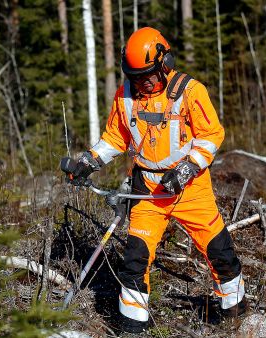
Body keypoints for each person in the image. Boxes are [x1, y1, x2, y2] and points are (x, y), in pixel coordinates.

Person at [67, 27, 246, 333]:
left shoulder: (190, 91)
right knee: (135, 258)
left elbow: (211, 135)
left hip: (190, 188)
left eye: (147, 75)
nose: (141, 82)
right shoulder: (125, 96)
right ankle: (133, 324)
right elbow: (115, 137)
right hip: (147, 191)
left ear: (165, 63)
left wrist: (188, 167)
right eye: (135, 75)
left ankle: (234, 311)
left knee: (219, 251)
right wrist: (89, 160)